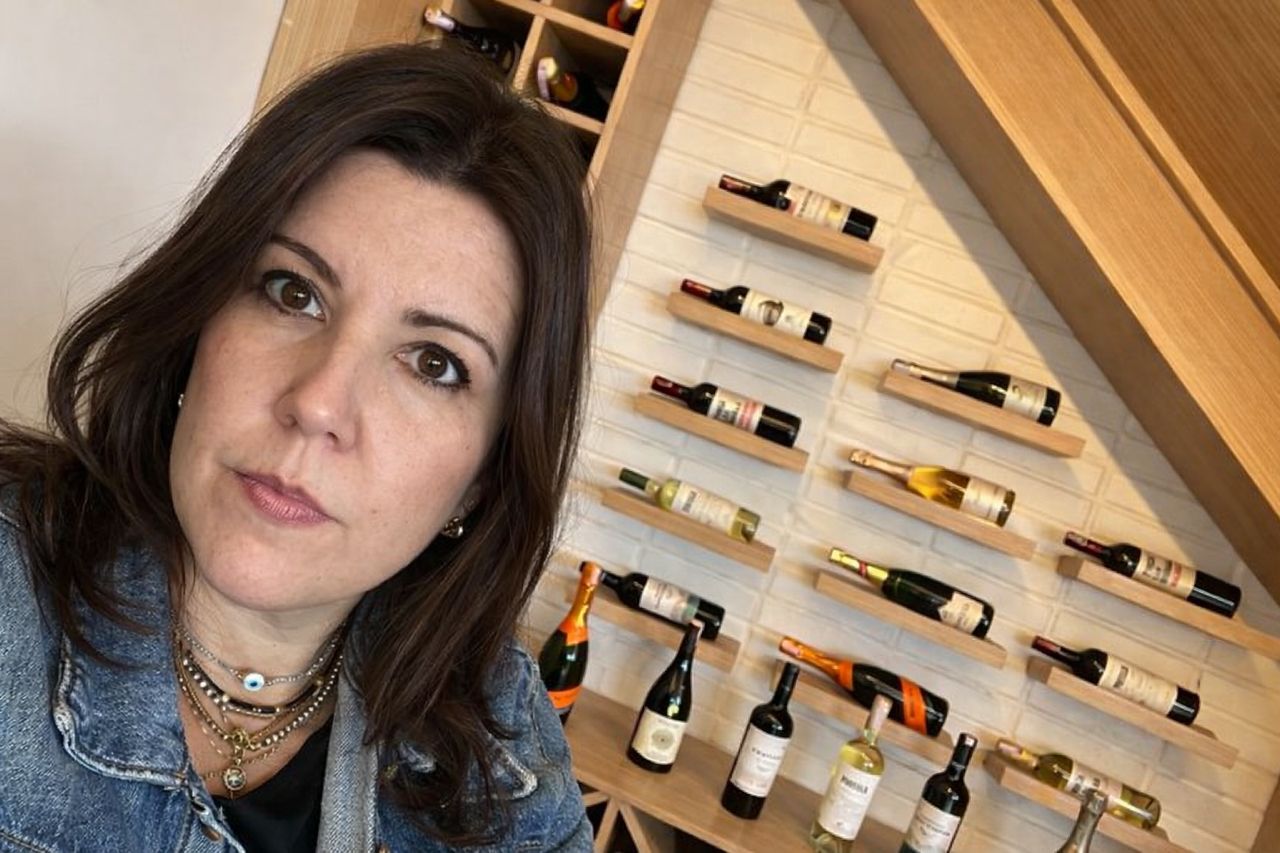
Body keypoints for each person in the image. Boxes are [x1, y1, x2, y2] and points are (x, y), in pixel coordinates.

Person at [0, 39, 593, 852]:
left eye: (434, 363)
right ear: (198, 319)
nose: (317, 403)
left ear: (481, 480)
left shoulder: (505, 747)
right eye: (293, 292)